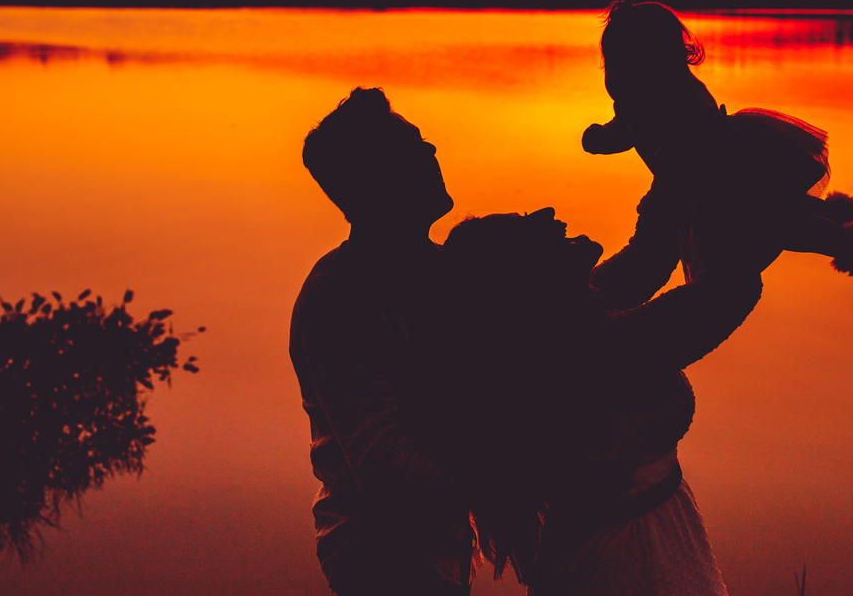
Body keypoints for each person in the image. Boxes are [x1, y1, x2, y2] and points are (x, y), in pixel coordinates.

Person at [410, 201, 768, 596]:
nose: (545, 212)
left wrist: (676, 173)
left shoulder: (567, 310)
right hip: (620, 563)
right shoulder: (588, 351)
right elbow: (727, 291)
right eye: (529, 226)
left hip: (655, 535)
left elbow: (652, 253)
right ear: (526, 279)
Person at [583, 0, 853, 300]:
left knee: (777, 223)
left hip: (719, 177)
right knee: (779, 210)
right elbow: (625, 132)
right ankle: (841, 216)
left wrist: (675, 151)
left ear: (652, 59)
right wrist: (599, 139)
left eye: (620, 63)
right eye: (610, 65)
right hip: (697, 179)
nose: (615, 74)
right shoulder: (639, 101)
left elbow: (699, 124)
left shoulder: (675, 92)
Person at [289, 87, 474, 596]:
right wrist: (519, 481)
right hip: (379, 559)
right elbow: (387, 465)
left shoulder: (443, 269)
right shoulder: (339, 299)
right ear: (381, 180)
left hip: (441, 543)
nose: (433, 150)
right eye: (415, 147)